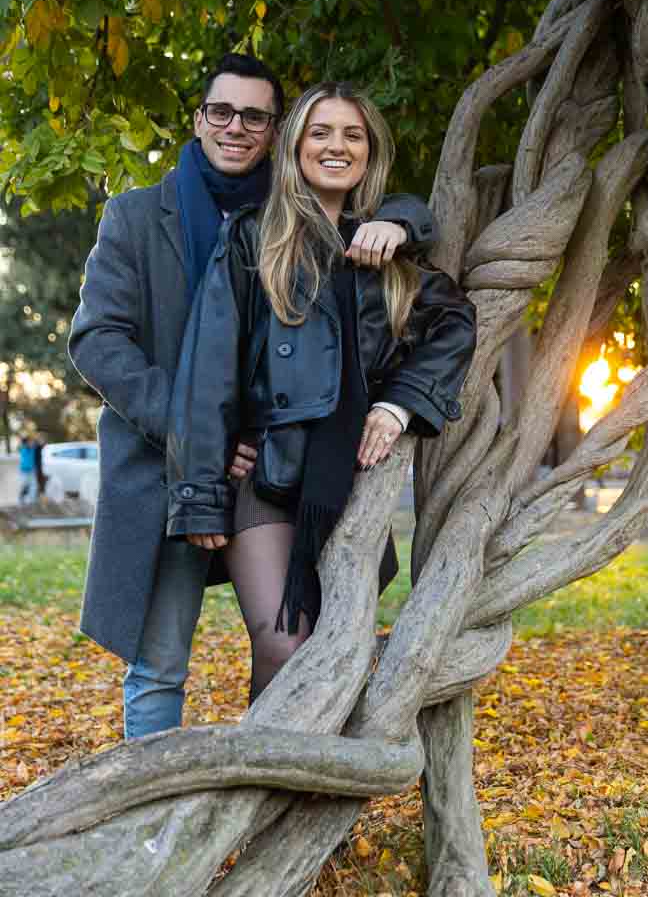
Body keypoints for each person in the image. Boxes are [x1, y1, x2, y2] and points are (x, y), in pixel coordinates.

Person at [69, 54, 438, 739]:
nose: (235, 127)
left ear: (276, 131)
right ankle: (160, 804)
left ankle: (273, 775)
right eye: (221, 111)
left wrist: (404, 221)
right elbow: (98, 342)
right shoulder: (136, 217)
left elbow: (373, 206)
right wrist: (193, 436)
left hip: (281, 466)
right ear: (198, 119)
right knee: (160, 665)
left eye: (254, 117)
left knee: (297, 640)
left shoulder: (293, 211)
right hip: (168, 467)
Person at [167, 82, 477, 704]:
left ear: (370, 152)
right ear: (295, 147)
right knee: (283, 642)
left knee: (339, 646)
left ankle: (315, 768)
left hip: (348, 479)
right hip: (268, 474)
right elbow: (208, 366)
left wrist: (398, 405)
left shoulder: (390, 251)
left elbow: (455, 321)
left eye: (352, 135)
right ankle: (263, 769)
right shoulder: (253, 237)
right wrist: (199, 491)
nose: (337, 146)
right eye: (321, 132)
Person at [17, 432, 37, 506]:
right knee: (24, 485)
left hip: (32, 470)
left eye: (31, 442)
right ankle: (21, 500)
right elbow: (21, 443)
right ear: (26, 443)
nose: (31, 443)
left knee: (33, 486)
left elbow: (36, 443)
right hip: (24, 471)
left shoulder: (33, 449)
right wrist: (24, 438)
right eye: (29, 442)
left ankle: (31, 501)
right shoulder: (23, 448)